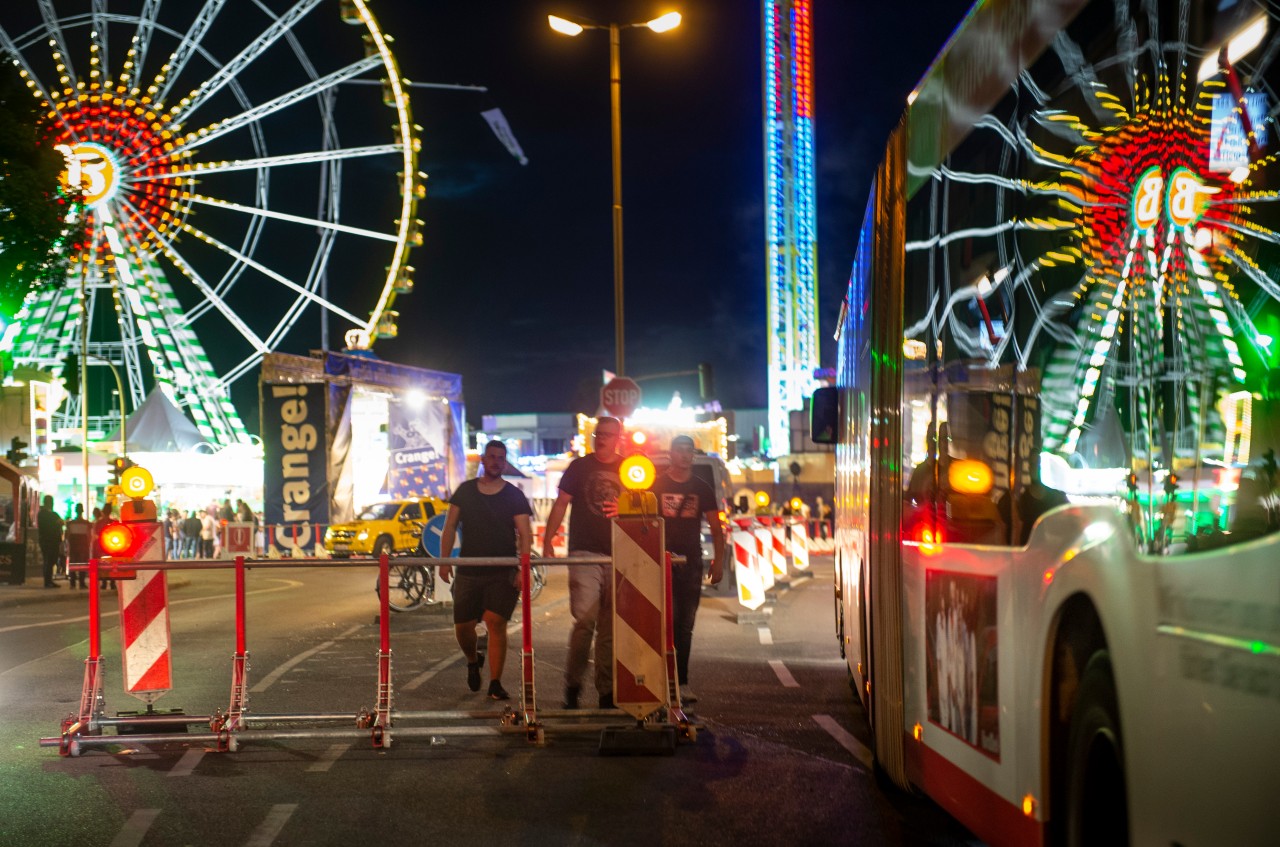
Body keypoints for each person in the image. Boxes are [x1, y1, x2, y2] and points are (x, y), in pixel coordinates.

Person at [438, 440, 533, 701]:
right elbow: (449, 527)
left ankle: (495, 683)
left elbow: (525, 534)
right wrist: (444, 561)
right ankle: (472, 660)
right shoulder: (466, 491)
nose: (496, 461)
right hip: (469, 570)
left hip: (502, 571)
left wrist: (523, 569)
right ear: (483, 460)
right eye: (491, 457)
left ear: (505, 462)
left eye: (500, 458)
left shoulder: (514, 495)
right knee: (463, 628)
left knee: (495, 622)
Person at [541, 416, 624, 709]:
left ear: (618, 437)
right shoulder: (579, 467)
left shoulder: (630, 470)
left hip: (619, 554)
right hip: (584, 553)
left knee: (610, 629)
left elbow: (643, 505)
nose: (601, 438)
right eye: (598, 434)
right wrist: (548, 539)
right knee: (585, 622)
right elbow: (561, 503)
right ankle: (573, 685)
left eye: (607, 434)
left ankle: (606, 692)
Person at [652, 435, 726, 704]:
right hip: (660, 562)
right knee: (664, 623)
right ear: (670, 453)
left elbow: (716, 528)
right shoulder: (656, 484)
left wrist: (718, 561)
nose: (685, 455)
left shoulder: (702, 487)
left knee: (685, 625)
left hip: (691, 563)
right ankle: (660, 679)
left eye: (689, 451)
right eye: (680, 450)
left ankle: (681, 682)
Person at [37, 495, 65, 588]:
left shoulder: (42, 514)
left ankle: (48, 580)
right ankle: (48, 581)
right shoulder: (51, 515)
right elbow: (61, 522)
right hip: (51, 541)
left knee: (48, 560)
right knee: (50, 560)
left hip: (46, 540)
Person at [65, 504, 92, 589]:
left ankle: (72, 583)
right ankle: (82, 583)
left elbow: (67, 535)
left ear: (75, 511)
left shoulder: (70, 523)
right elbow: (89, 536)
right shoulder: (87, 523)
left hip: (73, 545)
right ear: (82, 511)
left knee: (73, 564)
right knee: (83, 564)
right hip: (83, 546)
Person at [91, 502, 115, 589]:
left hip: (101, 546)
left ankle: (104, 583)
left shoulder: (98, 523)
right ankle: (112, 583)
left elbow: (95, 535)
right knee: (112, 565)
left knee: (103, 565)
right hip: (113, 546)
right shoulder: (113, 522)